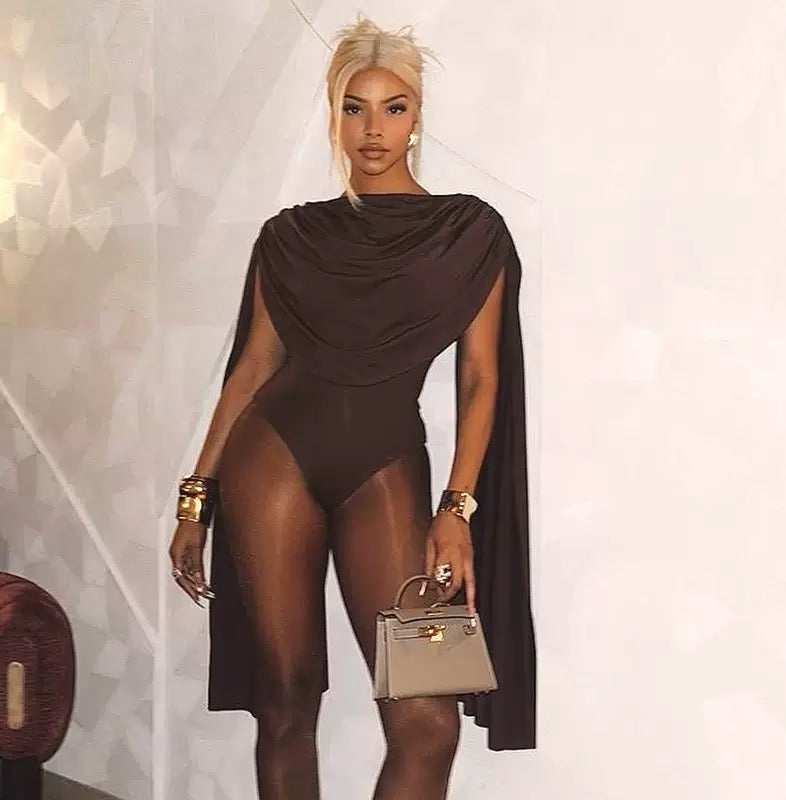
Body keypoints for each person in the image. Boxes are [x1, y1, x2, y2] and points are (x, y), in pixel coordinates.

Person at [168, 17, 537, 800]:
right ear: (334, 118)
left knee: (427, 722)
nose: (374, 129)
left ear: (417, 118)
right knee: (285, 705)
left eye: (394, 108)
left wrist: (457, 507)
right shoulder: (289, 236)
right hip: (272, 459)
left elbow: (481, 379)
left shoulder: (469, 232)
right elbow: (252, 369)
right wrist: (195, 499)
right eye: (354, 107)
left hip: (387, 469)